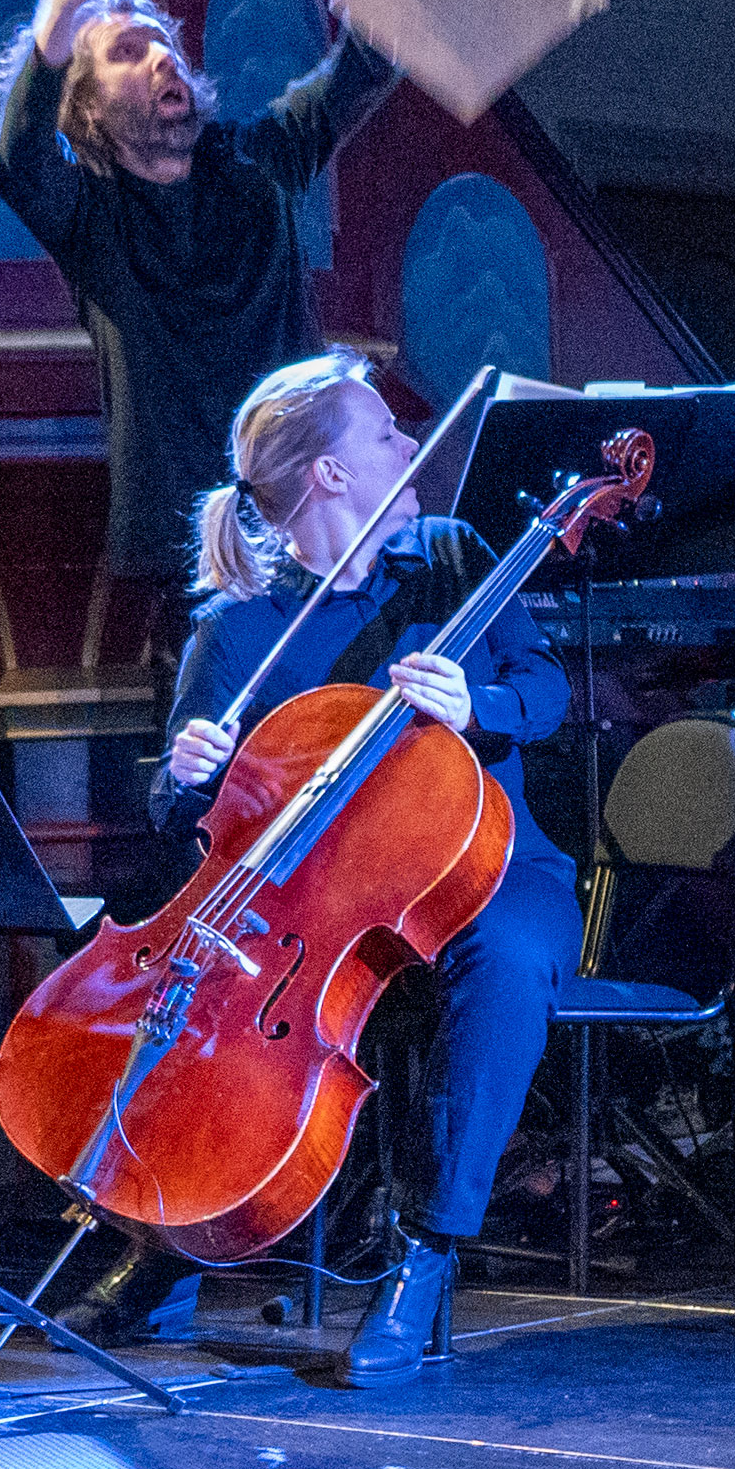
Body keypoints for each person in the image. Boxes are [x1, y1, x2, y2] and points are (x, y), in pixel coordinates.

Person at [55, 352, 579, 1385]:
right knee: (201, 990)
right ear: (334, 474)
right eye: (384, 432)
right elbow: (183, 815)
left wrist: (483, 710)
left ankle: (424, 1257)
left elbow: (547, 688)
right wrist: (190, 770)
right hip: (314, 905)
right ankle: (174, 1243)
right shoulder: (237, 626)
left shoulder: (453, 557)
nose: (406, 443)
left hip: (483, 869)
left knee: (508, 966)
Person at [0, 0, 442, 628]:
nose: (163, 52)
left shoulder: (256, 162)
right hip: (193, 555)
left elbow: (359, 72)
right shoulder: (88, 215)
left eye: (163, 40)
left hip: (318, 528)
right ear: (88, 110)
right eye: (127, 52)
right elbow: (18, 156)